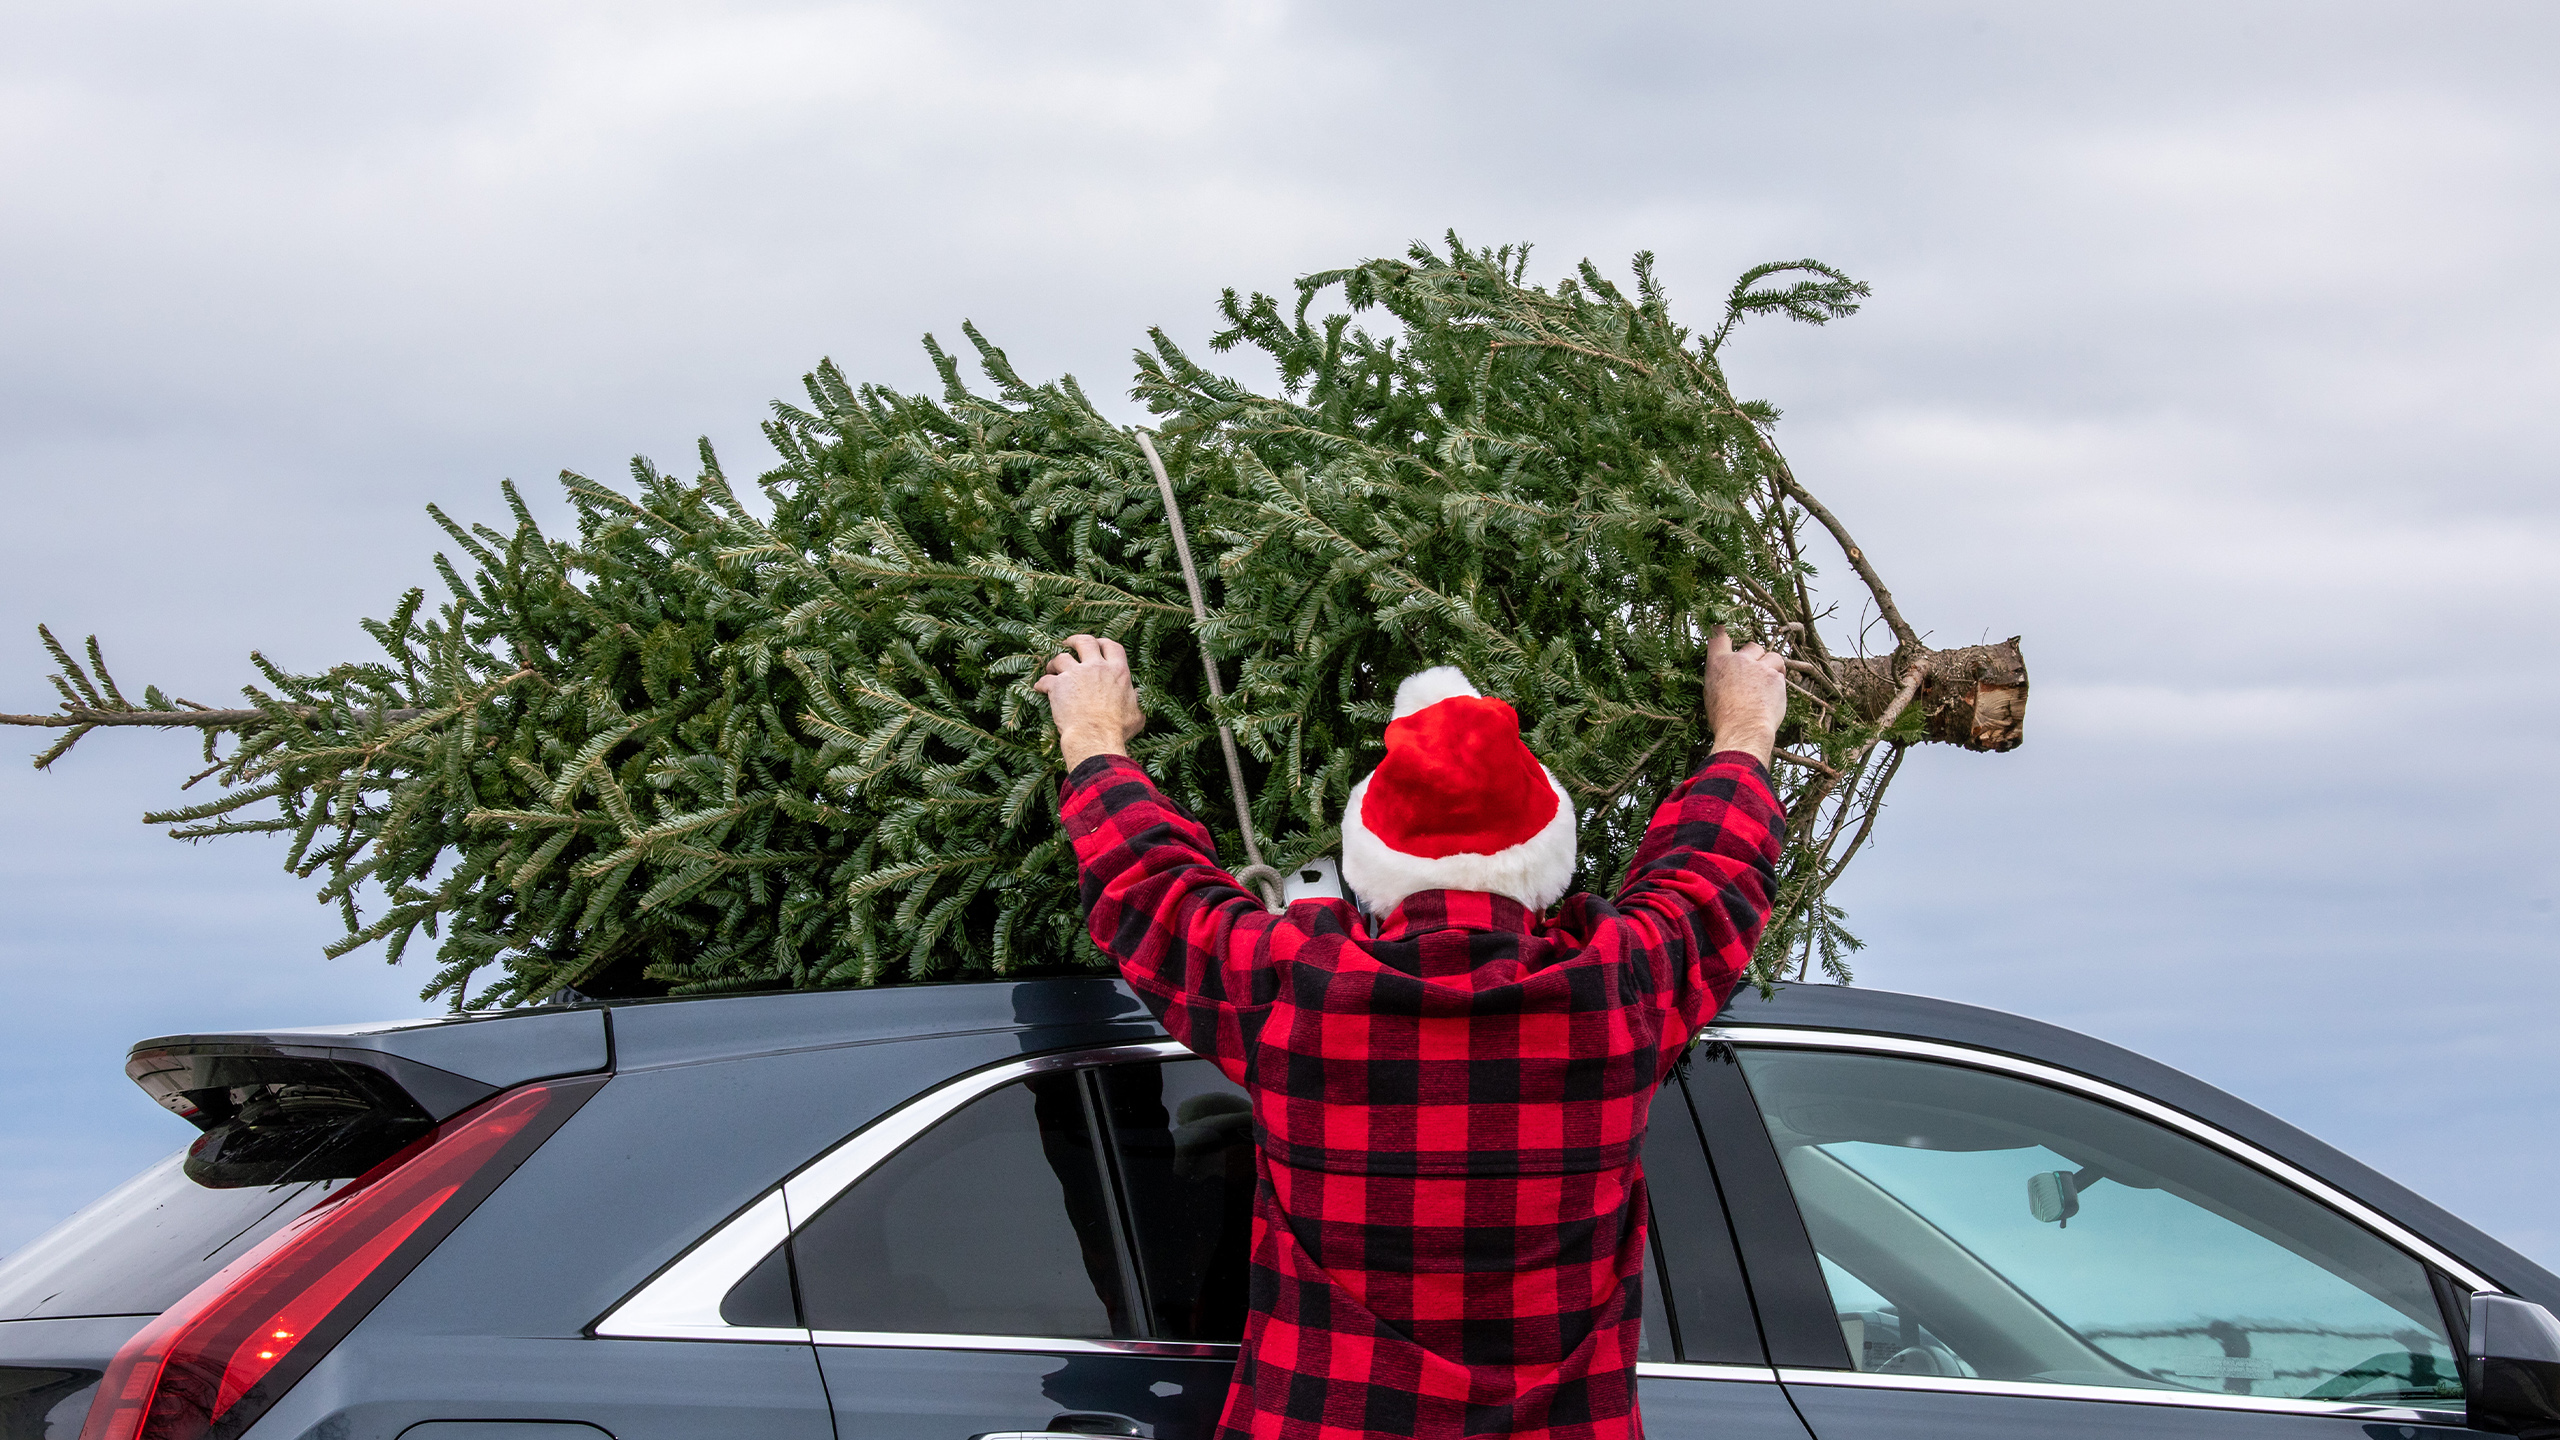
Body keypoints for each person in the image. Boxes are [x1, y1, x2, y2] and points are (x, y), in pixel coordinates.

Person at [1035, 628, 1789, 1440]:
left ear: (1373, 865)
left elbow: (1153, 886)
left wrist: (1092, 734)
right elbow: (1710, 871)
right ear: (1546, 861)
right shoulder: (1616, 990)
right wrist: (1744, 724)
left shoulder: (1302, 993)